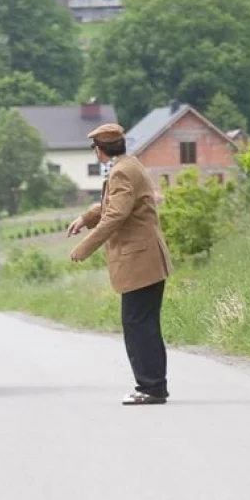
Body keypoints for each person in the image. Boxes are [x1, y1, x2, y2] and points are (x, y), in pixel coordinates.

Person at [67, 123, 173, 405]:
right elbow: (113, 204)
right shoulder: (130, 164)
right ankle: (154, 386)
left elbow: (116, 215)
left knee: (138, 324)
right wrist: (85, 218)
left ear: (100, 150)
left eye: (94, 148)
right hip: (146, 258)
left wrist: (84, 247)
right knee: (143, 323)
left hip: (139, 259)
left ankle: (150, 388)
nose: (94, 152)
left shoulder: (122, 171)